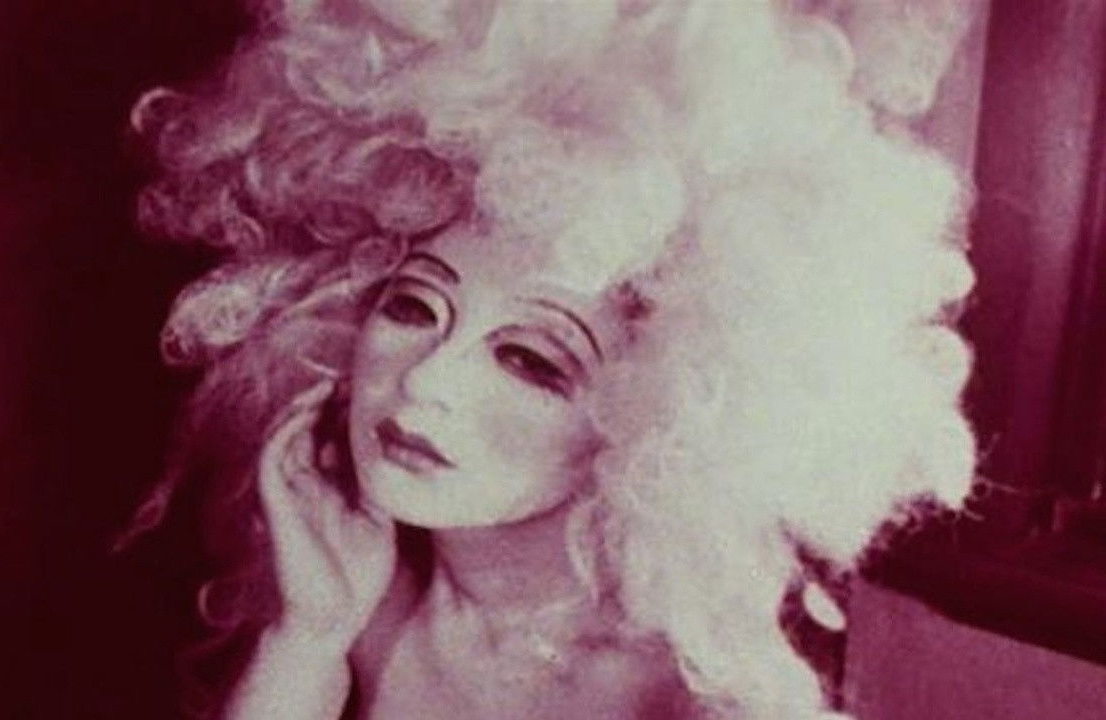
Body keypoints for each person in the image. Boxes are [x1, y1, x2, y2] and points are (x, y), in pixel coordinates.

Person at [118, 1, 980, 718]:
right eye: (413, 307)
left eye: (531, 361)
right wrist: (304, 640)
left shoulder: (689, 701)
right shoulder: (345, 603)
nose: (425, 378)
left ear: (653, 427)